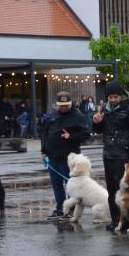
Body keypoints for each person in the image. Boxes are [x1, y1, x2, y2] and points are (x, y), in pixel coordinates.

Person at [93, 80, 129, 232]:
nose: (113, 100)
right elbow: (99, 130)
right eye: (110, 97)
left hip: (123, 154)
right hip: (108, 154)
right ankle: (115, 220)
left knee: (124, 190)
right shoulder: (105, 110)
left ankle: (126, 220)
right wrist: (96, 122)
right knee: (111, 191)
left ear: (121, 96)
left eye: (116, 97)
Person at [40, 91, 89, 220]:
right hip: (53, 157)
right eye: (61, 106)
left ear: (70, 103)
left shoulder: (78, 116)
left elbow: (86, 134)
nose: (63, 108)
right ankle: (59, 208)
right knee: (57, 185)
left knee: (71, 186)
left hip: (70, 159)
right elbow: (45, 133)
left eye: (66, 105)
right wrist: (43, 150)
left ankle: (71, 209)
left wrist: (71, 136)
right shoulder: (53, 116)